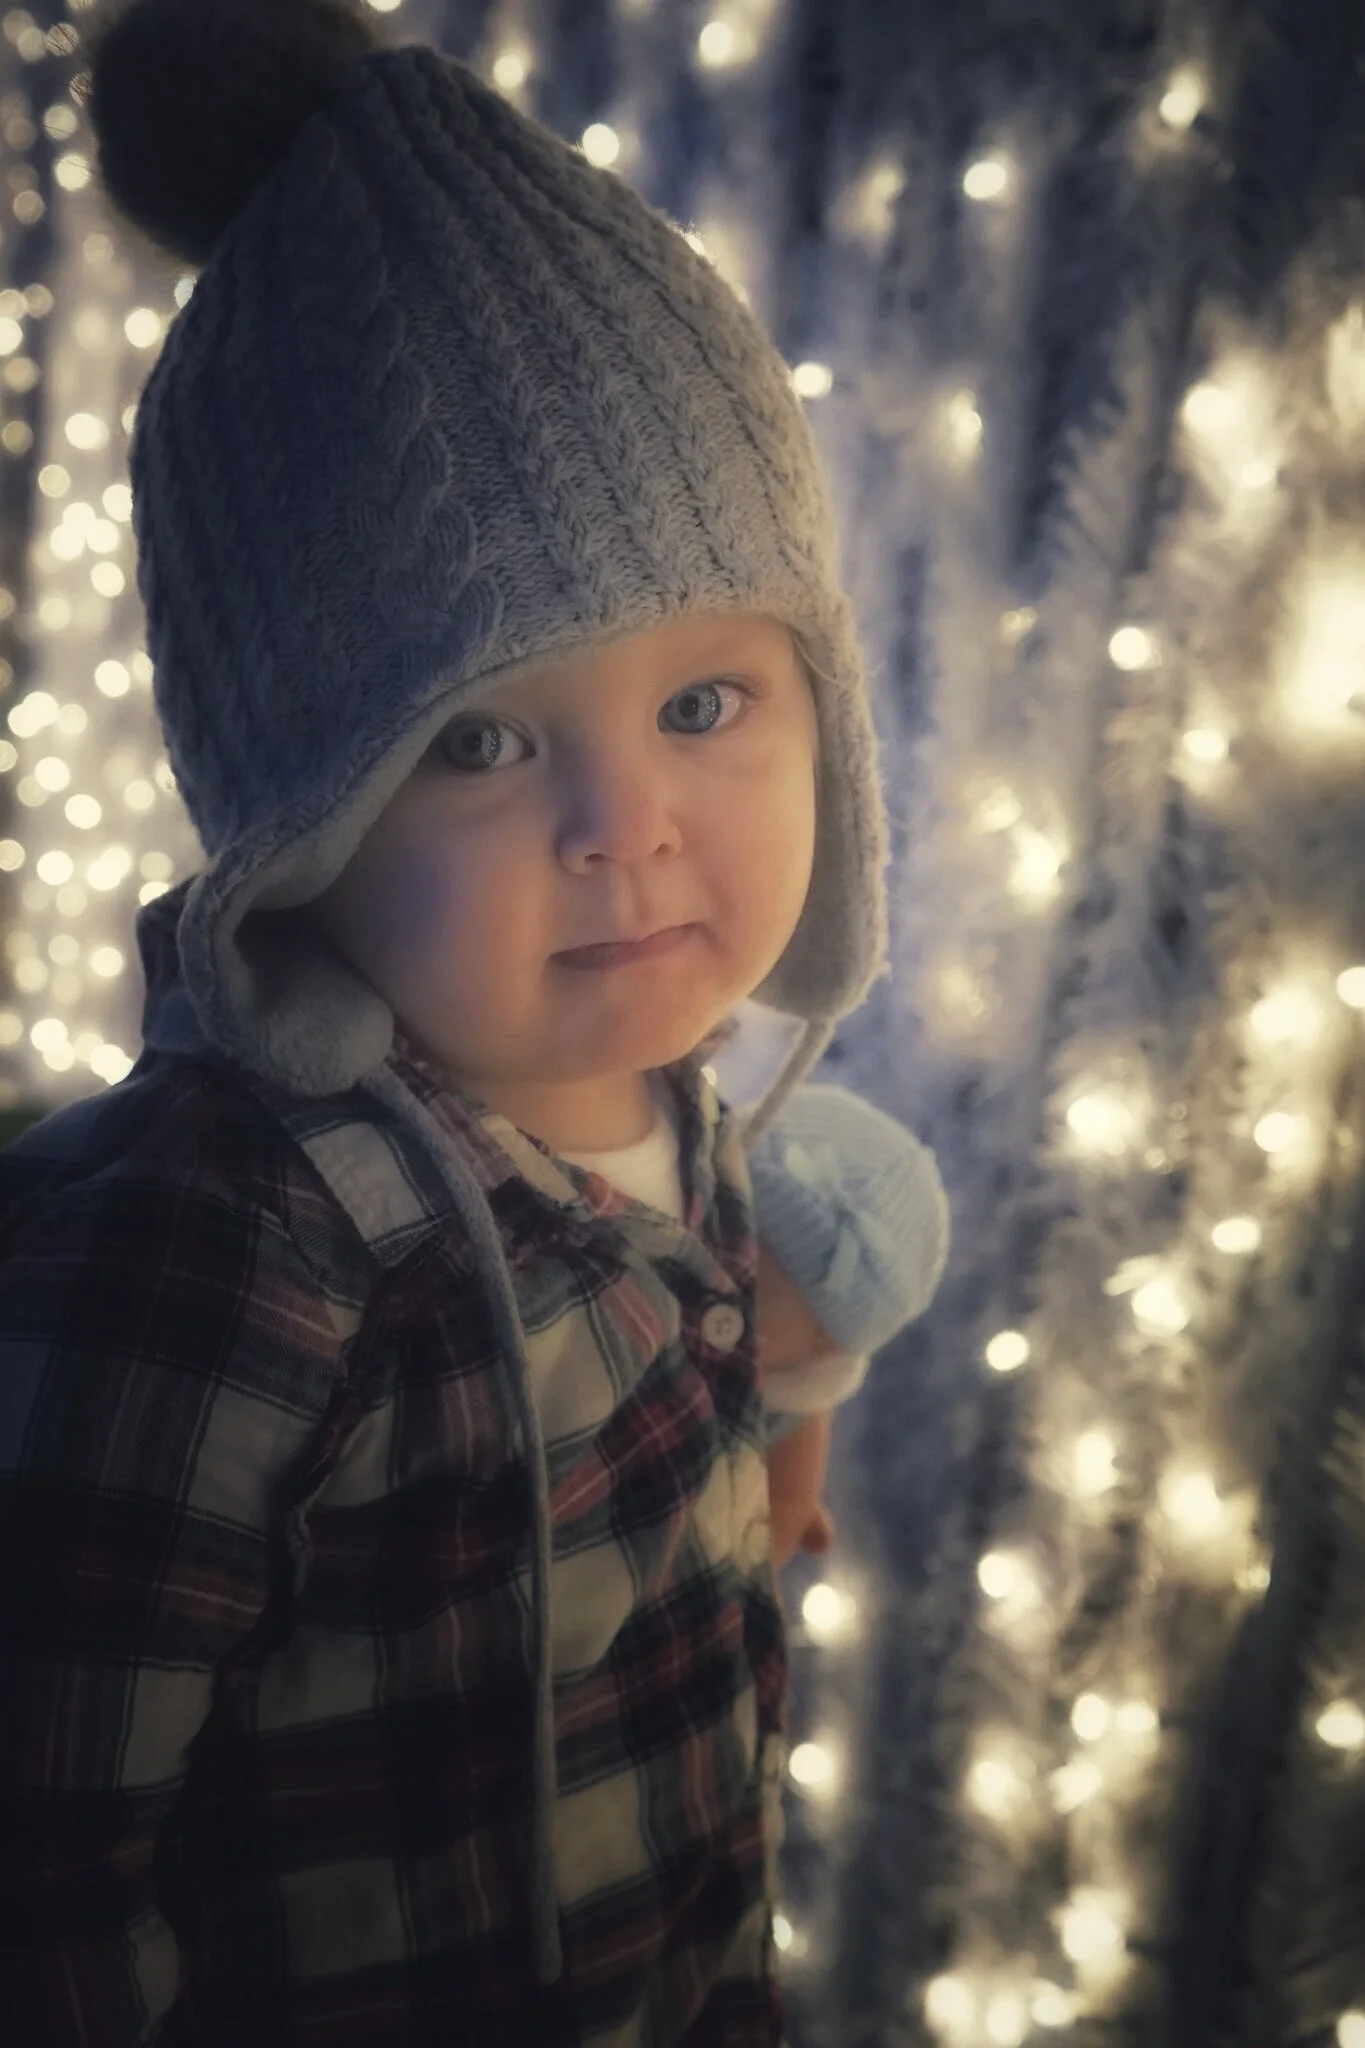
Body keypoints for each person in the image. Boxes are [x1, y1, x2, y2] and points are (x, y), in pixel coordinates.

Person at [0, 3, 949, 2042]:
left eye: (703, 702)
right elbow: (45, 1853)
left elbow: (731, 1358)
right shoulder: (233, 1256)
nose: (626, 828)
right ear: (299, 819)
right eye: (480, 740)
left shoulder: (674, 1094)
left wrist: (785, 1419)